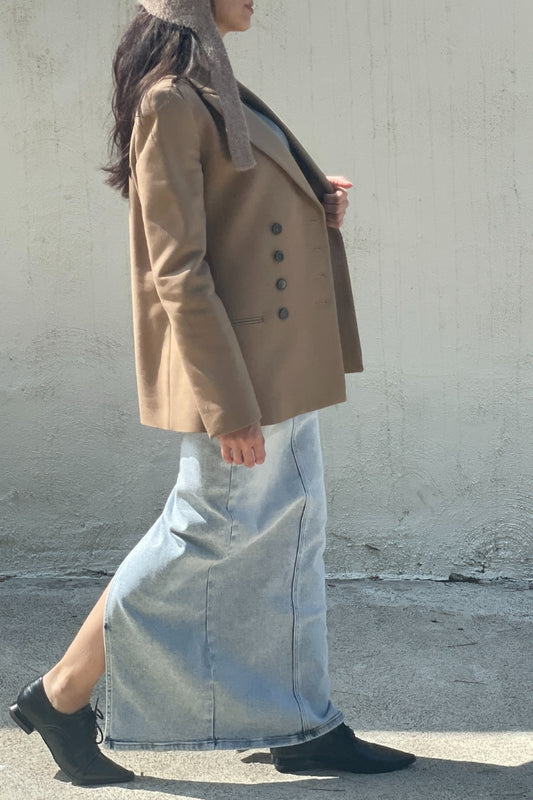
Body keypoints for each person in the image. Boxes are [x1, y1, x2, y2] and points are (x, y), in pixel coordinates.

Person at [8, 0, 416, 786]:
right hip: (242, 374)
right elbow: (177, 269)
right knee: (197, 533)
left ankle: (300, 722)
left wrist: (311, 202)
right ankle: (60, 695)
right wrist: (226, 403)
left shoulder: (210, 88)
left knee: (289, 545)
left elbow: (237, 214)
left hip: (279, 362)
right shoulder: (169, 101)